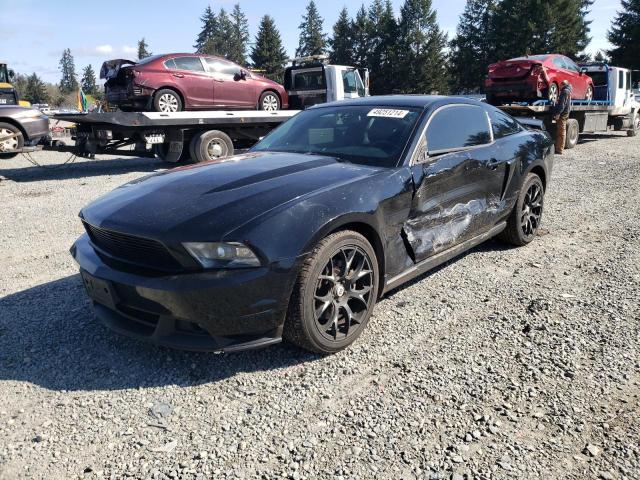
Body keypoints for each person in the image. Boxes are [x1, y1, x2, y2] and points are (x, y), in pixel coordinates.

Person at [551, 80, 572, 154]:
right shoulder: (568, 91)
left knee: (561, 132)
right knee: (562, 132)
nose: (559, 86)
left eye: (560, 85)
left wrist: (558, 113)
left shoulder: (565, 91)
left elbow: (562, 105)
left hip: (562, 114)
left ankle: (559, 150)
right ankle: (559, 148)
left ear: (563, 85)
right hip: (565, 113)